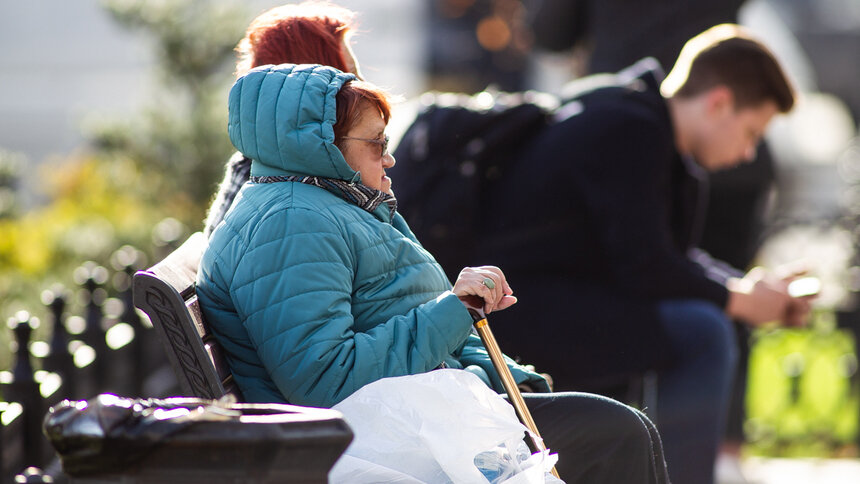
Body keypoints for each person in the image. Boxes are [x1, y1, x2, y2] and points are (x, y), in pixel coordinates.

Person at [196, 63, 671, 483]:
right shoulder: (290, 222)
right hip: (365, 444)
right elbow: (326, 379)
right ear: (322, 145)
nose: (389, 157)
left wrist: (499, 371)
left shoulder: (322, 204)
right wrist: (456, 308)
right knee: (617, 434)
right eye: (377, 143)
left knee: (625, 429)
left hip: (409, 421)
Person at [477, 24, 812, 484]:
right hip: (517, 310)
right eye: (751, 132)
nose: (748, 152)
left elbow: (664, 255)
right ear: (719, 103)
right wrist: (738, 299)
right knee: (703, 331)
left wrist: (745, 288)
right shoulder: (633, 131)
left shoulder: (635, 113)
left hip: (543, 300)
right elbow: (647, 268)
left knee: (699, 319)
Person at [204, 0, 362, 238]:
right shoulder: (274, 178)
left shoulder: (304, 166)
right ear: (312, 84)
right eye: (350, 78)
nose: (363, 87)